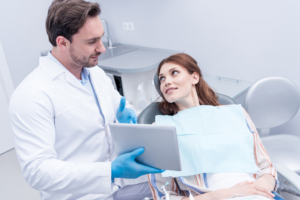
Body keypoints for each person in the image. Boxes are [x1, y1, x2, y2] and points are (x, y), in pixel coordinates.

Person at [9, 0, 163, 199]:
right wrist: (109, 171)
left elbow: (120, 106)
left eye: (101, 38)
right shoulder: (32, 96)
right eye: (92, 42)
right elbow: (37, 171)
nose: (102, 48)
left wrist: (129, 115)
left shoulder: (95, 74)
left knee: (191, 184)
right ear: (62, 43)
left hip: (120, 187)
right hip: (83, 195)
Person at [148, 53, 284, 200]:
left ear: (195, 77)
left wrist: (259, 188)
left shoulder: (236, 115)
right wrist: (226, 194)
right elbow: (163, 196)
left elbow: (267, 167)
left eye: (174, 73)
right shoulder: (161, 130)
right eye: (162, 78)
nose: (166, 81)